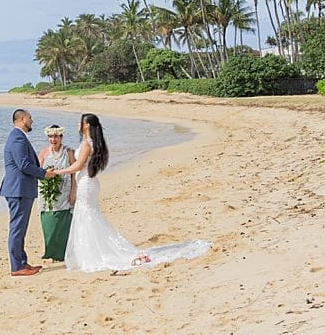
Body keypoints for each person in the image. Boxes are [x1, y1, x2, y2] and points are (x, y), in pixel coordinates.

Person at [53, 112, 210, 272]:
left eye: (80, 122)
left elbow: (79, 166)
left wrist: (59, 172)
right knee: (90, 215)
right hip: (89, 182)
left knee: (88, 215)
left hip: (86, 183)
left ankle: (92, 254)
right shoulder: (93, 142)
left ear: (86, 125)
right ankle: (91, 252)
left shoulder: (87, 144)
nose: (78, 125)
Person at [0, 108, 55, 277]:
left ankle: (22, 262)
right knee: (17, 228)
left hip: (20, 189)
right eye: (30, 118)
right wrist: (44, 174)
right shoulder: (17, 138)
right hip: (18, 190)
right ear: (22, 119)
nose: (32, 121)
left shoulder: (19, 137)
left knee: (20, 228)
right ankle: (17, 267)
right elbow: (23, 165)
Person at [37, 124, 76, 261]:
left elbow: (74, 173)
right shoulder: (43, 153)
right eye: (50, 136)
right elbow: (38, 172)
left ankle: (62, 253)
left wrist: (73, 192)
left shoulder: (69, 152)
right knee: (49, 221)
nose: (53, 139)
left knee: (63, 222)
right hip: (47, 194)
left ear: (61, 137)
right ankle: (50, 251)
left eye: (56, 136)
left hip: (65, 192)